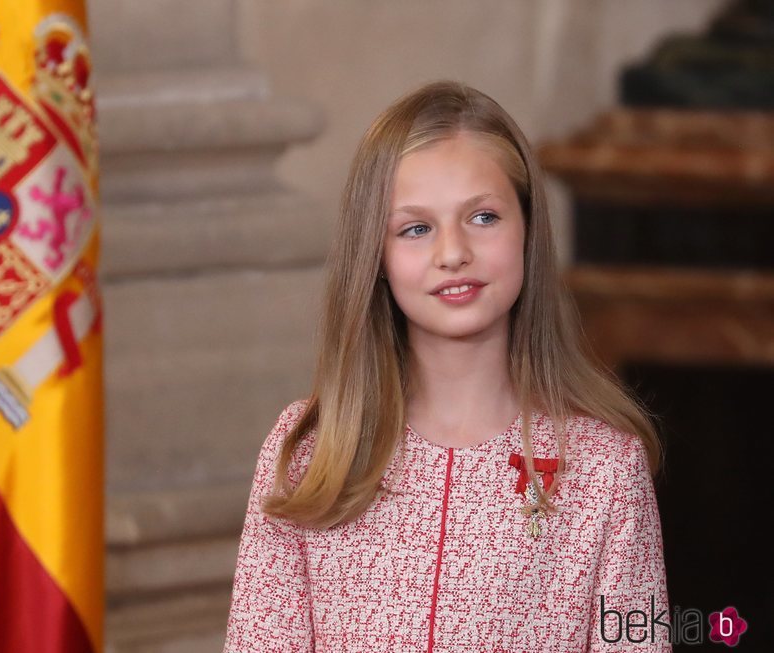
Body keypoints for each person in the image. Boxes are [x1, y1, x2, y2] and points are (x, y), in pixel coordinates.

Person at [223, 80, 671, 652]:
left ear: (528, 231)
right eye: (416, 228)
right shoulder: (309, 452)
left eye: (483, 217)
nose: (452, 252)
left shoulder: (607, 470)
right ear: (376, 256)